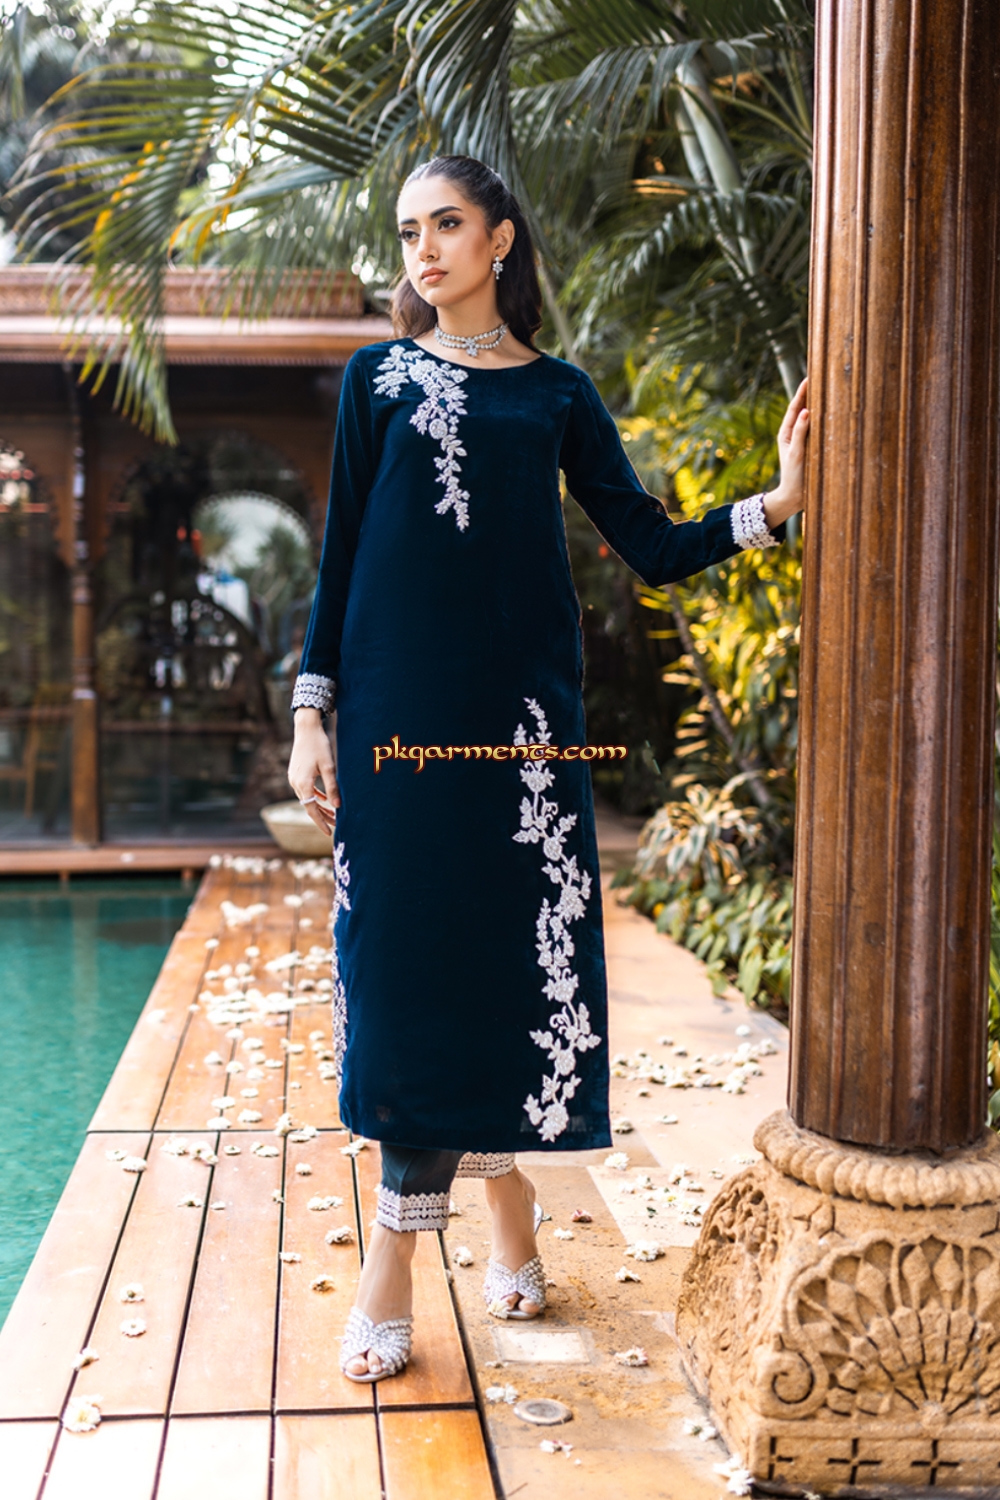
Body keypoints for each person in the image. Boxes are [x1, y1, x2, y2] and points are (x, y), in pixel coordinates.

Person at [287, 154, 809, 1383]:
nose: (424, 250)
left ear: (500, 239)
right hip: (395, 728)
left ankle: (488, 1222)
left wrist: (776, 503)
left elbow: (648, 543)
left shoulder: (558, 394)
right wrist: (313, 711)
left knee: (498, 971)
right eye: (408, 231)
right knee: (406, 973)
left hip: (519, 735)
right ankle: (422, 1246)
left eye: (446, 224)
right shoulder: (377, 379)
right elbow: (340, 555)